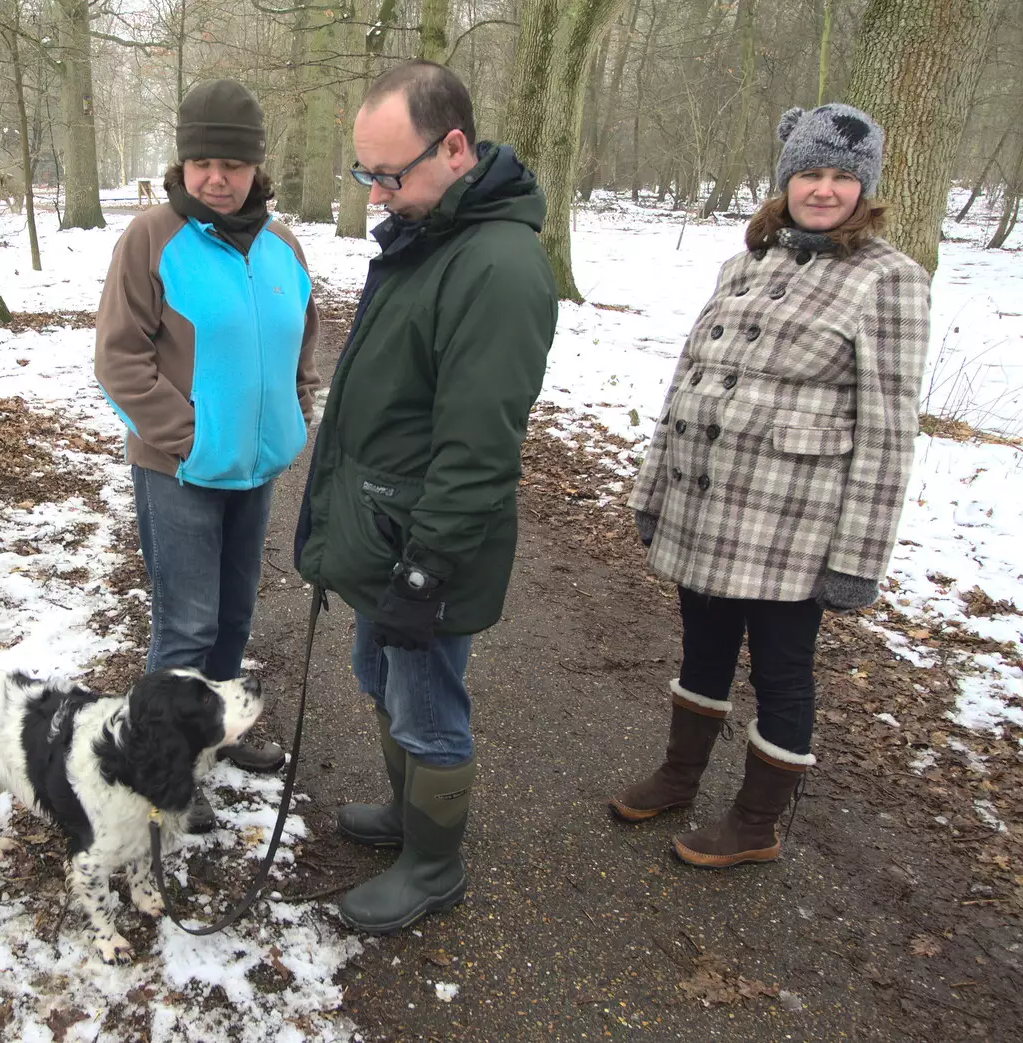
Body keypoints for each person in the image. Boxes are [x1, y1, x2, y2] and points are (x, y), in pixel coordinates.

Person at [613, 103, 932, 868]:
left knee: (782, 672)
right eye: (809, 174)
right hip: (704, 506)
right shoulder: (743, 265)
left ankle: (757, 821)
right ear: (784, 181)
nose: (823, 190)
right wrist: (653, 493)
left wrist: (858, 557)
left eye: (841, 177)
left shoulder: (889, 281)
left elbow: (889, 431)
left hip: (794, 526)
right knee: (703, 650)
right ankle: (680, 776)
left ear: (866, 189)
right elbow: (687, 387)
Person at [294, 61, 558, 933]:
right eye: (363, 174)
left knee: (429, 700)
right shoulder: (429, 233)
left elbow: (480, 444)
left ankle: (434, 865)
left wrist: (427, 570)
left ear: (453, 147)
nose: (375, 195)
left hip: (427, 542)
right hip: (387, 526)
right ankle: (411, 818)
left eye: (388, 174)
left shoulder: (497, 264)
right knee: (381, 672)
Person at [95, 79, 320, 831]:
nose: (214, 178)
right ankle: (162, 772)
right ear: (181, 161)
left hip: (255, 471)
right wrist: (191, 438)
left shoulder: (284, 245)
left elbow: (301, 339)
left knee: (232, 613)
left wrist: (296, 407)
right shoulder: (152, 238)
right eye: (200, 161)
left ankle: (215, 732)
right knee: (186, 624)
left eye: (231, 162)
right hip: (180, 470)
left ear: (258, 167)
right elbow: (120, 360)